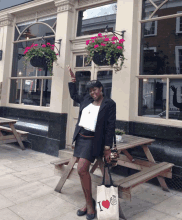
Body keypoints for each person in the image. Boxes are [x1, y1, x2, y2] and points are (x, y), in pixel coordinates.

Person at [67, 66, 116, 220]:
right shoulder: (87, 99)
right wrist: (73, 81)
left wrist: (107, 148)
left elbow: (110, 126)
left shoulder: (109, 103)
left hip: (93, 141)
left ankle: (89, 204)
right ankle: (89, 202)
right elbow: (74, 95)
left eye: (96, 90)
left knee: (81, 169)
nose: (93, 93)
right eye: (91, 91)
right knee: (81, 172)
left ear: (101, 89)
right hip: (81, 137)